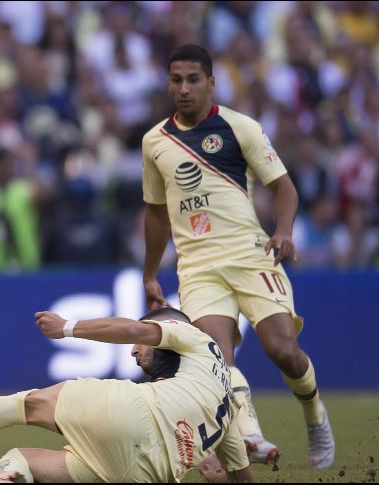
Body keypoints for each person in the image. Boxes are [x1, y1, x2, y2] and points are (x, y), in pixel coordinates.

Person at [141, 44, 334, 469]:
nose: (184, 88)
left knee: (283, 349)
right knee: (215, 357)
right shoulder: (154, 142)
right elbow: (155, 213)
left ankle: (315, 415)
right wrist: (150, 271)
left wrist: (283, 230)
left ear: (211, 82)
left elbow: (283, 187)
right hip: (197, 267)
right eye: (177, 80)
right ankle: (251, 436)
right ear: (168, 83)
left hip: (250, 254)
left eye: (193, 79)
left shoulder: (240, 127)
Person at [0, 306, 253, 483]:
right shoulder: (230, 404)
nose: (134, 353)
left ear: (168, 326)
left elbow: (135, 332)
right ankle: (1, 477)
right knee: (25, 460)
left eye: (144, 345)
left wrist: (68, 328)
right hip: (142, 474)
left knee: (26, 405)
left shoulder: (192, 335)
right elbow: (240, 475)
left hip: (134, 412)